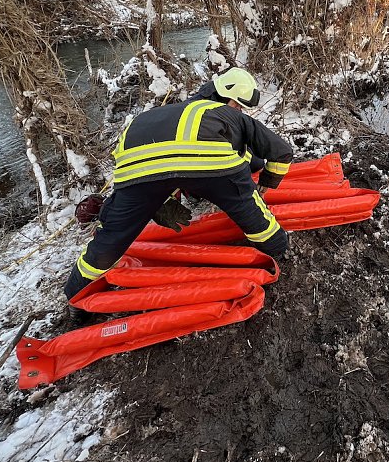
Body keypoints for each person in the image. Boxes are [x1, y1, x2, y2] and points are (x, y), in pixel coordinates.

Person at [63, 67, 293, 320]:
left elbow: (158, 166)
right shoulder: (227, 115)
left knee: (111, 239)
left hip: (137, 172)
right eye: (239, 106)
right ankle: (278, 247)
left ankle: (76, 298)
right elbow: (280, 151)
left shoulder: (152, 116)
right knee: (249, 211)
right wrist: (268, 182)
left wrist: (160, 201)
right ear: (232, 102)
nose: (239, 110)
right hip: (211, 165)